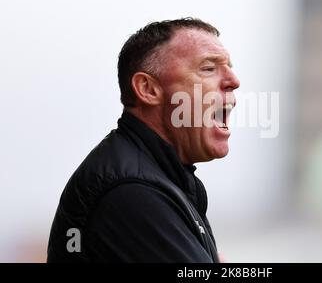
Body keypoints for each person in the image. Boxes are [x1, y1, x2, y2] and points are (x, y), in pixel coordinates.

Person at [47, 18, 240, 262]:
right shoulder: (132, 190)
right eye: (208, 68)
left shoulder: (158, 178)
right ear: (147, 89)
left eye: (230, 68)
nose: (234, 81)